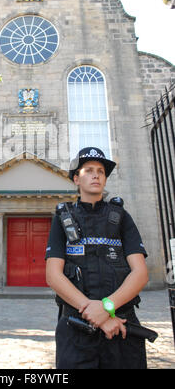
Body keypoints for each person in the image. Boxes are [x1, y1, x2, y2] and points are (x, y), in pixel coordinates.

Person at [45, 147, 149, 369]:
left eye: (101, 171)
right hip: (76, 328)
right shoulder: (62, 219)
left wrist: (108, 307)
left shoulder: (121, 217)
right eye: (89, 170)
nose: (96, 175)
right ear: (76, 179)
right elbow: (53, 275)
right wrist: (95, 312)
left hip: (121, 325)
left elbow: (140, 273)